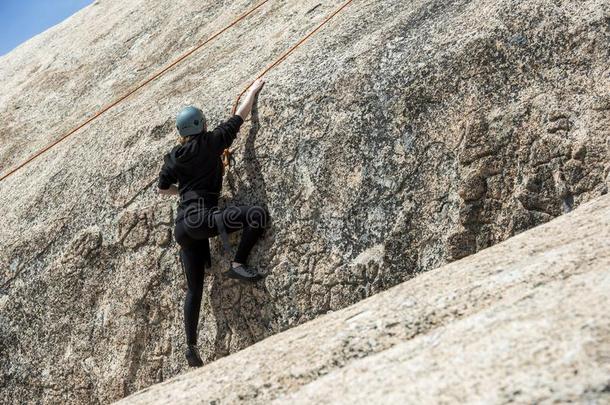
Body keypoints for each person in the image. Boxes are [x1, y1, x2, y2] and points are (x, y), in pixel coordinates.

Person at [157, 79, 269, 367]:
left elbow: (162, 187)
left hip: (183, 227)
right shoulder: (210, 142)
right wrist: (253, 90)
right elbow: (239, 118)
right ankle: (237, 263)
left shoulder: (174, 155)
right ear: (202, 125)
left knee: (194, 288)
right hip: (203, 219)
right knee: (256, 215)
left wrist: (181, 192)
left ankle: (191, 347)